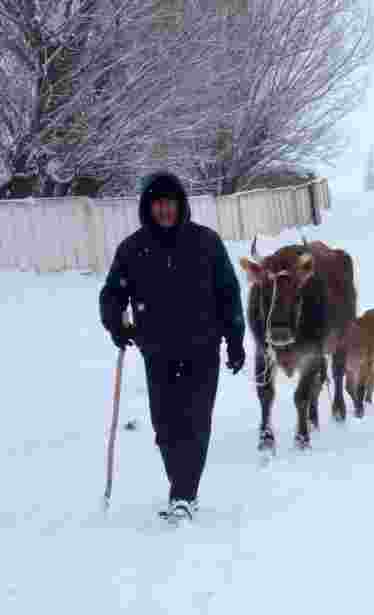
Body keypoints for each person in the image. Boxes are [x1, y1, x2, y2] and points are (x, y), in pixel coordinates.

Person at [99, 170, 246, 523]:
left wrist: (235, 339)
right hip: (158, 353)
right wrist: (116, 324)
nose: (165, 210)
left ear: (181, 206)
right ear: (148, 208)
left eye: (171, 203)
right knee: (165, 427)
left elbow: (228, 293)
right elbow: (113, 293)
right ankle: (181, 485)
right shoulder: (133, 250)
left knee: (195, 422)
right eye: (158, 204)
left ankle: (183, 494)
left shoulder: (206, 243)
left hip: (202, 350)